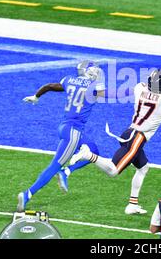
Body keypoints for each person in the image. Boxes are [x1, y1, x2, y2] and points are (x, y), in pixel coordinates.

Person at [70, 66, 161, 214]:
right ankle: (87, 155)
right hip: (136, 139)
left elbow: (155, 91)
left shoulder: (140, 88)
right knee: (113, 171)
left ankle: (132, 204)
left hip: (129, 132)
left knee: (143, 167)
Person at [17, 61, 128, 211]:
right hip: (73, 132)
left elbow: (50, 86)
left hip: (64, 127)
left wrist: (36, 96)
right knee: (54, 166)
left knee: (93, 151)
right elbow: (113, 95)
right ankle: (27, 194)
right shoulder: (93, 87)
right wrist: (133, 91)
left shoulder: (70, 80)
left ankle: (66, 172)